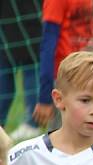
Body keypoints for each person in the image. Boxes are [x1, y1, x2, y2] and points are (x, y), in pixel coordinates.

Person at [32, 0, 93, 144]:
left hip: (92, 76)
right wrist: (45, 97)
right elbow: (47, 45)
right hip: (67, 80)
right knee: (59, 143)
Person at [0, 0, 42, 141]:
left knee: (30, 65)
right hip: (8, 19)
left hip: (29, 19)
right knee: (5, 72)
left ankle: (32, 123)